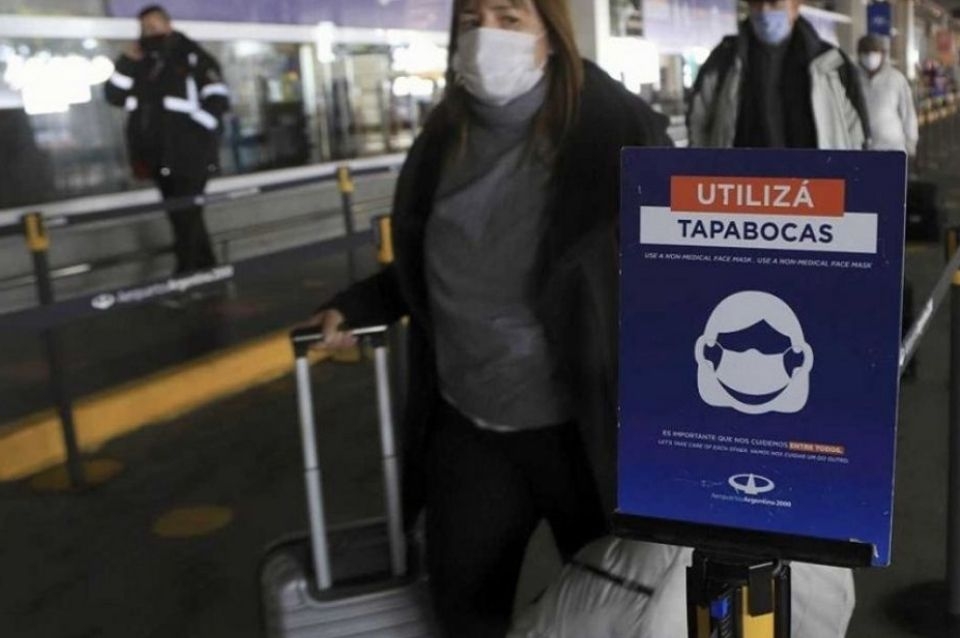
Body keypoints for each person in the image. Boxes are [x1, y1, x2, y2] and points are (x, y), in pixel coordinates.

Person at [307, 0, 671, 634]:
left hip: (586, 434)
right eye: (472, 21)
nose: (486, 37)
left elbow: (678, 265)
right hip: (472, 427)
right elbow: (430, 261)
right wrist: (363, 303)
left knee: (611, 615)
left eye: (509, 19)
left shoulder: (617, 131)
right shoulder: (444, 139)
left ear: (551, 34)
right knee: (462, 607)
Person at [105, 4, 229, 275]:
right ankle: (208, 269)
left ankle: (185, 274)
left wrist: (194, 135)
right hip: (157, 156)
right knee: (181, 215)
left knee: (186, 215)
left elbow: (218, 99)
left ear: (168, 25)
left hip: (191, 156)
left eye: (154, 26)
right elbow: (114, 96)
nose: (148, 32)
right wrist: (126, 61)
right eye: (144, 28)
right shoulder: (141, 62)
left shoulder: (192, 56)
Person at [688, 0, 869, 150]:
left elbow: (857, 132)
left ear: (795, 7)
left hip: (813, 179)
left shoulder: (831, 63)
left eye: (774, 3)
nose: (764, 11)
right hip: (742, 179)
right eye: (756, 3)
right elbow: (698, 122)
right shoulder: (724, 60)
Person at [857, 34, 919, 156]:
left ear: (882, 54)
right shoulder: (852, 78)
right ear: (859, 54)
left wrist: (911, 142)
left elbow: (908, 113)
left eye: (874, 52)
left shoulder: (896, 79)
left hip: (892, 147)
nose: (870, 57)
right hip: (859, 148)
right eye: (866, 52)